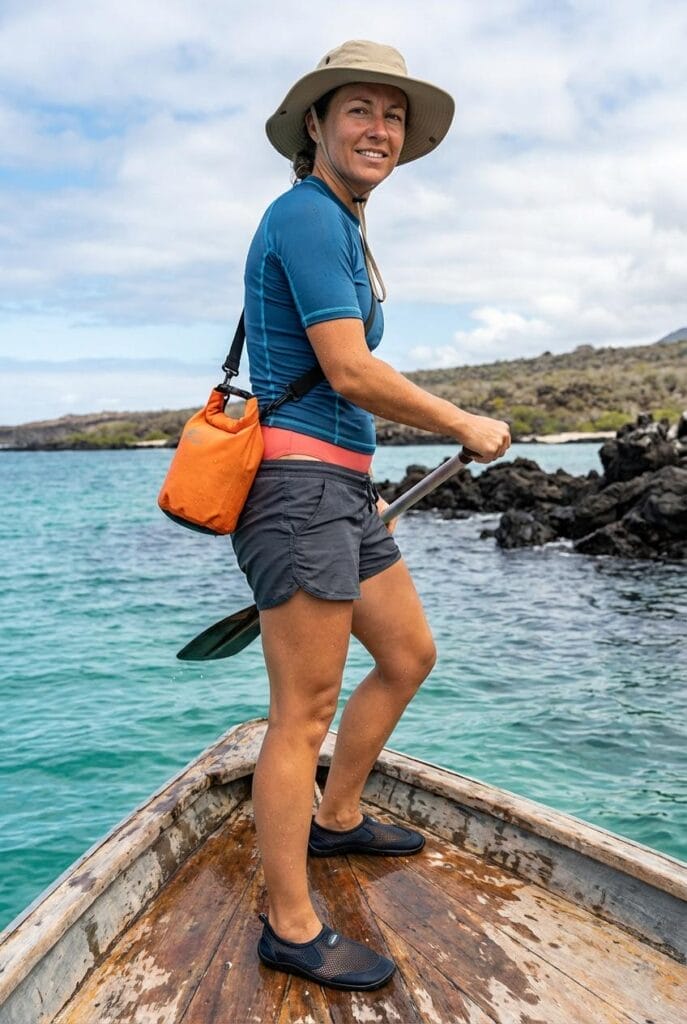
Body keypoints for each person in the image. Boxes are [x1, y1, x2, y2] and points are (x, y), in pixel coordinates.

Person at [232, 39, 511, 991]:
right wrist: (462, 421)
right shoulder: (305, 216)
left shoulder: (343, 225)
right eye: (359, 110)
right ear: (315, 125)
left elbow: (343, 386)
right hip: (299, 492)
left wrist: (364, 479)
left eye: (391, 116)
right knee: (300, 715)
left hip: (343, 488)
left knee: (407, 656)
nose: (379, 129)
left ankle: (337, 818)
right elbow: (348, 370)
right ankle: (291, 923)